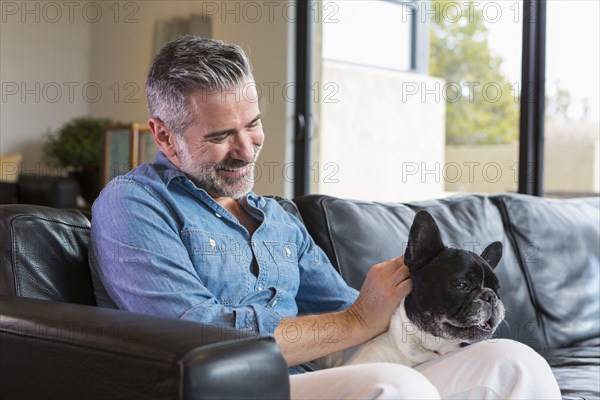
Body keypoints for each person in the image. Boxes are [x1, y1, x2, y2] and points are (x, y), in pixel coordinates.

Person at [89, 35, 561, 399]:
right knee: (396, 387)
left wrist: (426, 293)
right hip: (227, 390)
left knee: (515, 363)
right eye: (220, 135)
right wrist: (356, 319)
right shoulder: (133, 205)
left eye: (253, 125)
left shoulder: (278, 220)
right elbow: (197, 334)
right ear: (165, 136)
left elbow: (358, 314)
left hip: (315, 381)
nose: (246, 148)